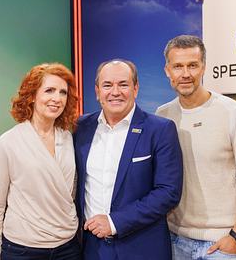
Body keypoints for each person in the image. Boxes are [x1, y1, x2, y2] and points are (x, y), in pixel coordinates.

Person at [156, 35, 236, 260]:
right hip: (174, 239)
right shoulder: (163, 115)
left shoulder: (235, 113)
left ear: (204, 68)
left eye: (193, 65)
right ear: (167, 70)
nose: (185, 73)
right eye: (178, 66)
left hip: (221, 244)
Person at [74, 59, 183, 260]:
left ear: (135, 88)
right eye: (107, 85)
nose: (115, 92)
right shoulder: (80, 128)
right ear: (98, 91)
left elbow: (168, 192)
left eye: (123, 84)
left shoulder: (160, 129)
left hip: (141, 248)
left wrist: (114, 222)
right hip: (90, 249)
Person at [0, 63, 80, 260]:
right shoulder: (8, 143)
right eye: (49, 90)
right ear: (32, 95)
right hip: (23, 250)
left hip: (67, 249)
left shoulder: (68, 138)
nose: (57, 98)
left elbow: (71, 194)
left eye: (63, 92)